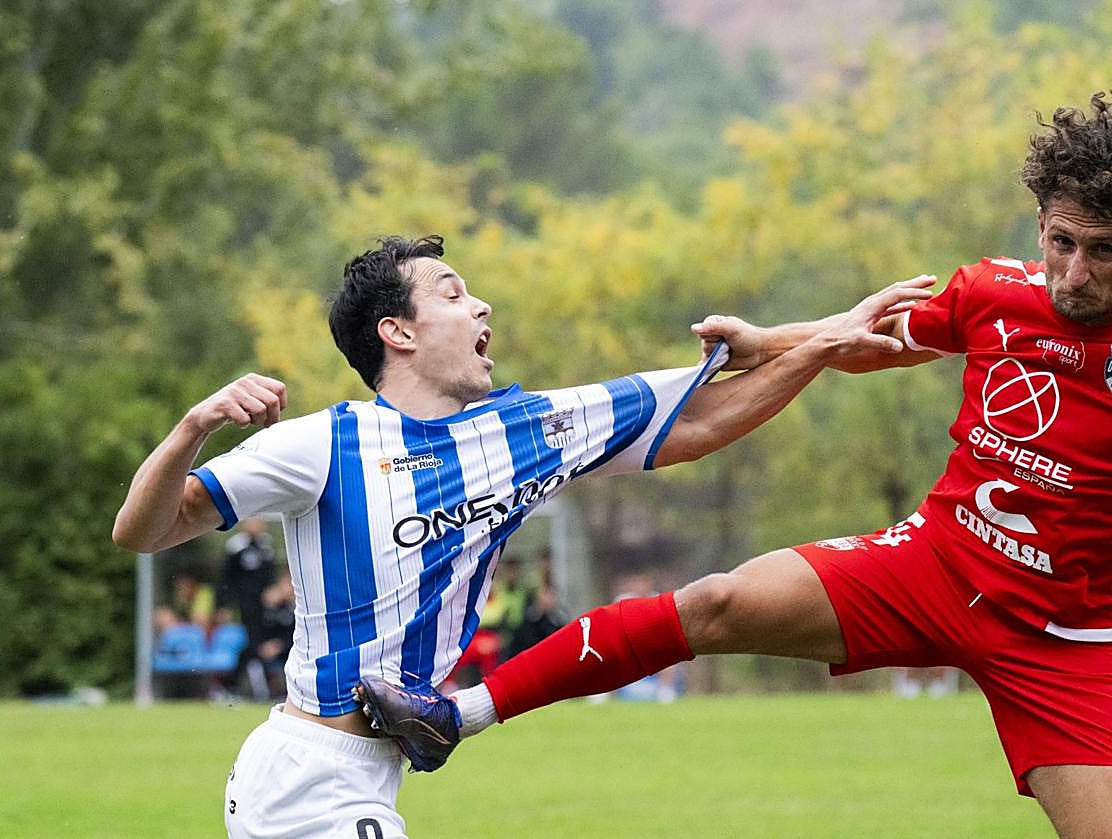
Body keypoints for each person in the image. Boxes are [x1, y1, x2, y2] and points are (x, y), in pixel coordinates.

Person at [357, 93, 1112, 838]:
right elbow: (862, 342)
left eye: (1103, 251)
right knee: (715, 601)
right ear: (1040, 224)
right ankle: (453, 716)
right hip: (934, 566)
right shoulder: (994, 293)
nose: (1074, 274)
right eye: (1062, 243)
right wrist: (765, 341)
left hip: (1069, 642)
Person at [112, 233, 929, 838]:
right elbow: (144, 530)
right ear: (397, 332)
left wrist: (823, 336)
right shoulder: (323, 444)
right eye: (454, 291)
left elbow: (703, 416)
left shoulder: (524, 431)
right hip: (308, 776)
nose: (482, 306)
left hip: (368, 774)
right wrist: (192, 426)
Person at [217, 516, 277, 698]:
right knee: (254, 643)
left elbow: (270, 575)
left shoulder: (266, 545)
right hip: (245, 604)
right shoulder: (236, 547)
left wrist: (272, 593)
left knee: (256, 644)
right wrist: (224, 605)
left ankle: (232, 686)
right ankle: (239, 686)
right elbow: (226, 578)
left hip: (265, 606)